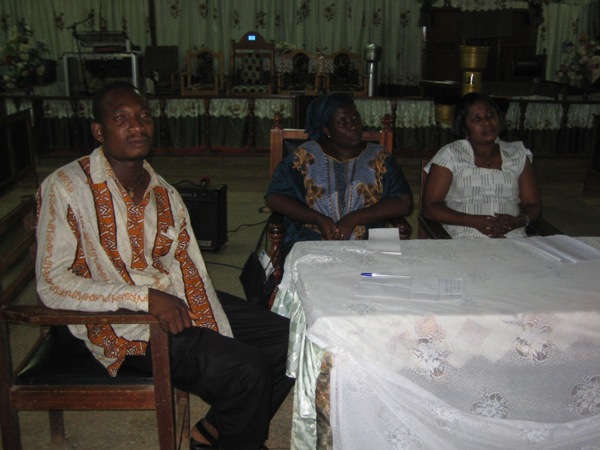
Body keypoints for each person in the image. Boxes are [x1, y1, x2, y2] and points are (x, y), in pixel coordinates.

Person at [35, 81, 293, 450]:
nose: (136, 126)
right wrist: (144, 298)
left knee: (290, 340)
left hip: (169, 299)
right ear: (99, 131)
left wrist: (210, 323)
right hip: (109, 322)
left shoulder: (164, 192)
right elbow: (52, 283)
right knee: (245, 369)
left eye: (144, 116)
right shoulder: (66, 186)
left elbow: (187, 267)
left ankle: (216, 433)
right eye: (121, 118)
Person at [265, 92, 413, 257]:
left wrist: (354, 218)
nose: (353, 126)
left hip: (368, 241)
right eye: (343, 122)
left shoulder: (379, 157)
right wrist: (317, 218)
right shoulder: (304, 156)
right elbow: (274, 197)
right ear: (326, 129)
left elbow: (403, 202)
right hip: (313, 238)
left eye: (355, 118)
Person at [421, 92, 543, 239]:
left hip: (512, 235)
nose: (486, 122)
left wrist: (518, 221)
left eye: (490, 115)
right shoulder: (451, 154)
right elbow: (430, 207)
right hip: (464, 235)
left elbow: (533, 204)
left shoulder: (517, 153)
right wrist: (474, 221)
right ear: (464, 128)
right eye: (476, 119)